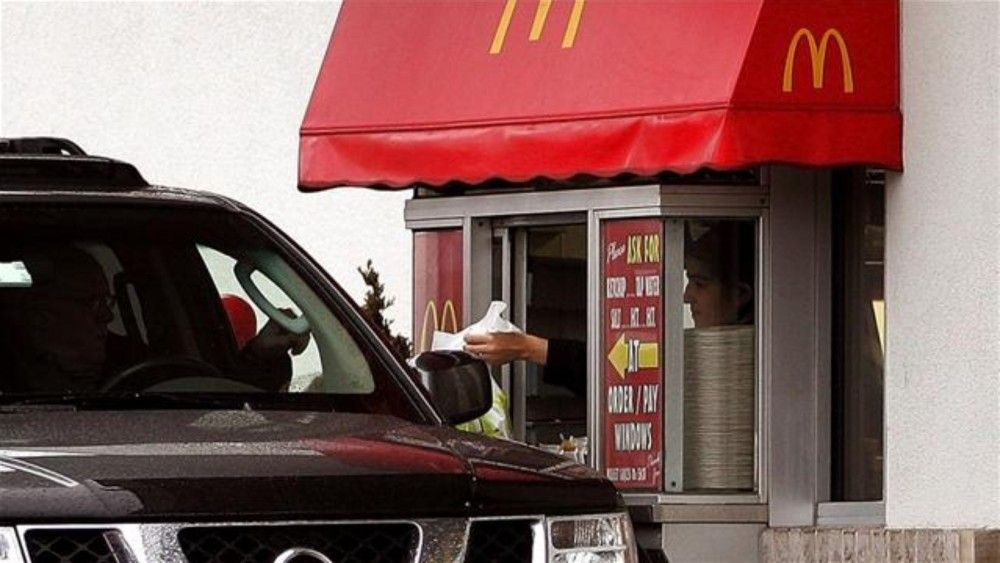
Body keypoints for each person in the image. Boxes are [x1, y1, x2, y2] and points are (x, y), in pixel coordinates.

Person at [0, 244, 307, 394]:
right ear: (36, 314)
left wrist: (258, 355)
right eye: (92, 305)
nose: (107, 317)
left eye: (108, 302)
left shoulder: (133, 364)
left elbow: (210, 399)